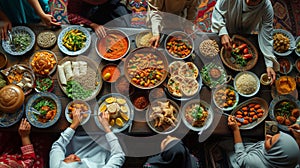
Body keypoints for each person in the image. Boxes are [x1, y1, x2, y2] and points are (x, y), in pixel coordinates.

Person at [211, 0, 279, 84]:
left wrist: (269, 63)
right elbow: (217, 10)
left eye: (254, 1)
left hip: (246, 32)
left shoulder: (266, 8)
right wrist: (222, 31)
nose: (248, 2)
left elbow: (266, 35)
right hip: (226, 26)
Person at [49, 109, 125, 168]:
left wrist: (73, 126)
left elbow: (57, 146)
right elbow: (119, 155)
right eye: (75, 160)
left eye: (66, 159)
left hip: (77, 133)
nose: (71, 156)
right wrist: (107, 128)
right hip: (106, 141)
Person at [226, 115, 299, 167]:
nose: (267, 136)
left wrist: (235, 129)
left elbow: (240, 156)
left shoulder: (255, 164)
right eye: (274, 136)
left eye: (270, 141)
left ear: (274, 154)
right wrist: (298, 139)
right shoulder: (289, 161)